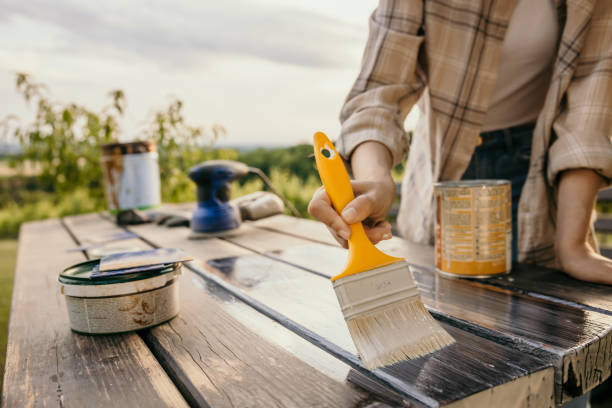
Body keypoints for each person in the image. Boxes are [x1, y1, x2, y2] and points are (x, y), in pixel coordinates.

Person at [308, 0, 612, 285]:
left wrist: (573, 247)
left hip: (541, 173)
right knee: (442, 308)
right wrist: (375, 180)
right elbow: (379, 93)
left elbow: (588, 115)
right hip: (441, 170)